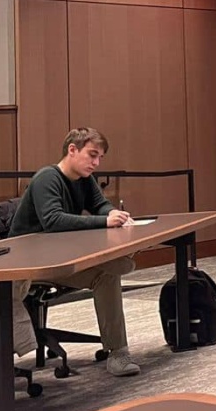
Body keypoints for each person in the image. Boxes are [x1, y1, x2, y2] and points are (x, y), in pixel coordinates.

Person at [10, 127, 140, 376]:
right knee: (117, 266)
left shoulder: (84, 178)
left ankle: (118, 353)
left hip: (60, 257)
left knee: (109, 274)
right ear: (72, 149)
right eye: (92, 155)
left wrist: (112, 212)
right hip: (31, 264)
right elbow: (53, 220)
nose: (96, 163)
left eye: (100, 157)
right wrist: (104, 222)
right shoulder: (47, 178)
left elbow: (100, 204)